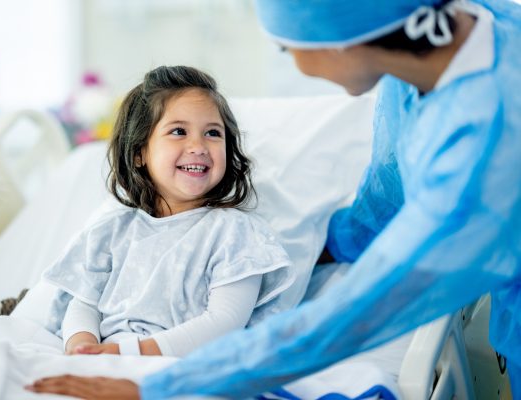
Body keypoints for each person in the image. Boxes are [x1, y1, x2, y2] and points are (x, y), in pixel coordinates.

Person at [27, 0, 521, 398]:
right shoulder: (428, 55)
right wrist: (334, 244)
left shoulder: (487, 142)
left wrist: (159, 384)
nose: (294, 63)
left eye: (286, 47)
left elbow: (354, 314)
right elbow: (389, 187)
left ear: (341, 39)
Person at [34, 65, 294, 359]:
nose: (198, 146)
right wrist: (82, 348)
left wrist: (129, 353)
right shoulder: (111, 231)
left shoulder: (235, 234)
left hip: (181, 366)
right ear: (139, 153)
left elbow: (225, 322)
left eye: (212, 133)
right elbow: (83, 305)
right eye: (178, 131)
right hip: (105, 360)